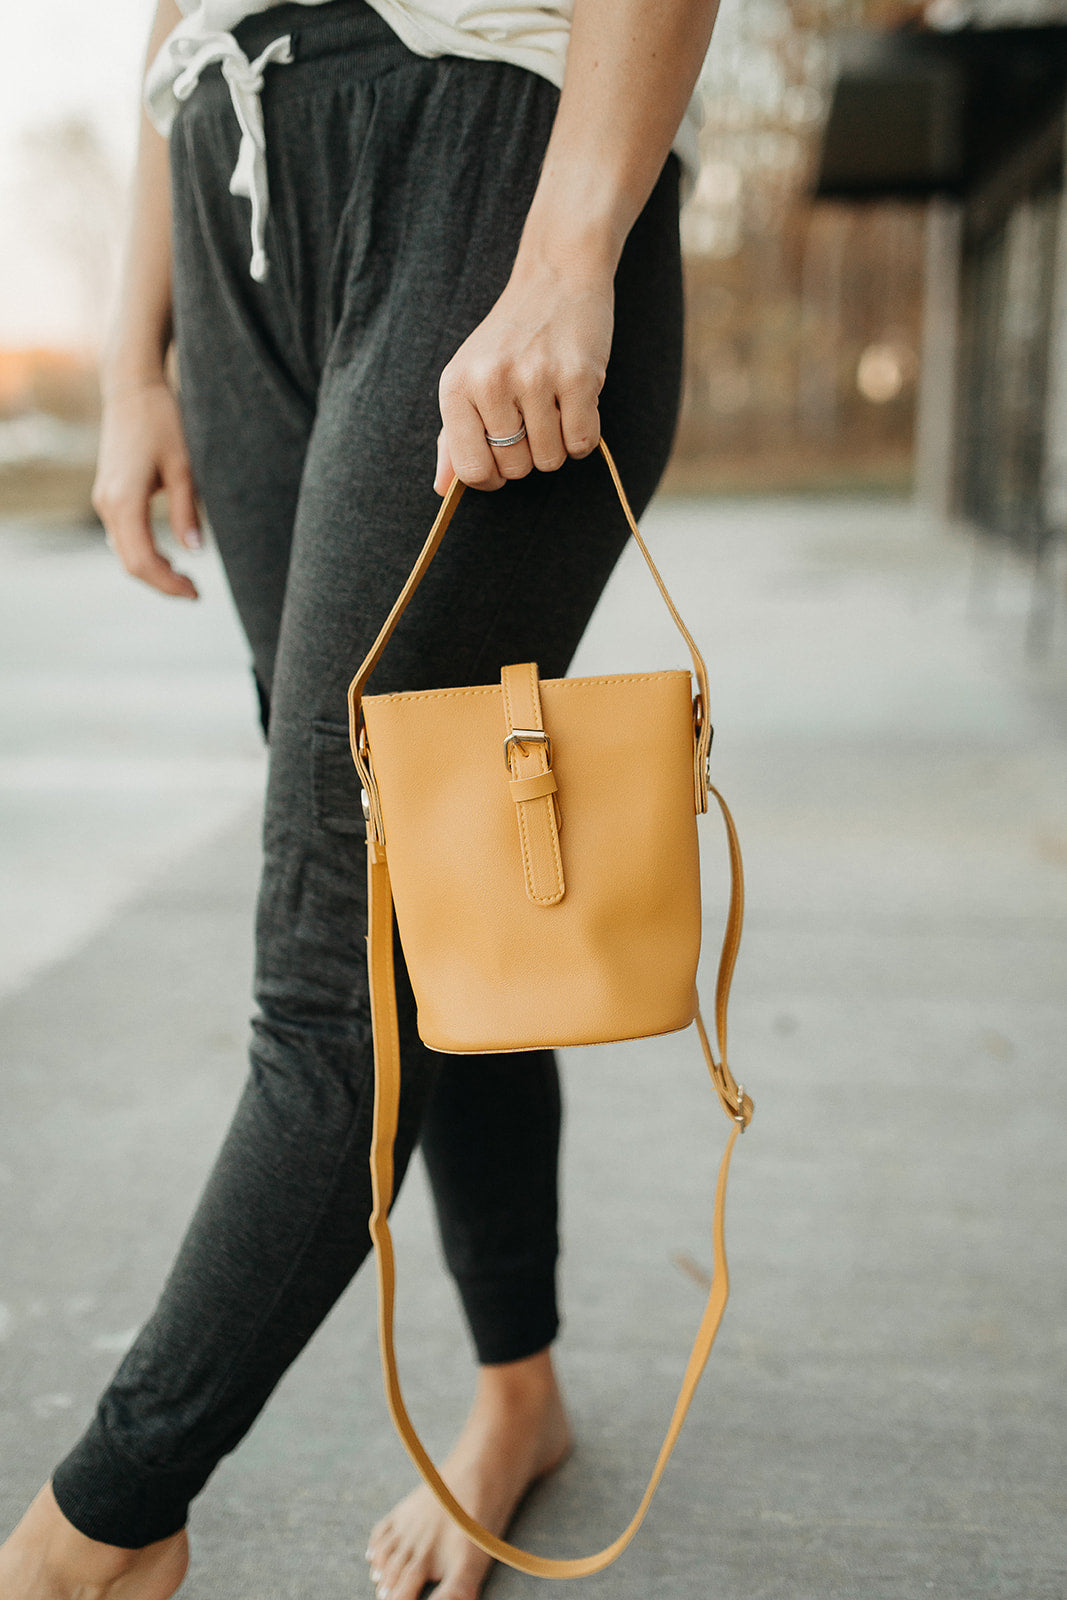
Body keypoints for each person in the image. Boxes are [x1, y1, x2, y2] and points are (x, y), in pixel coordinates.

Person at [0, 1, 719, 1596]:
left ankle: (101, 1529)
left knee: (339, 976)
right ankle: (520, 1390)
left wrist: (571, 242)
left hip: (481, 151)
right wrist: (135, 362)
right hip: (234, 185)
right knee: (435, 893)